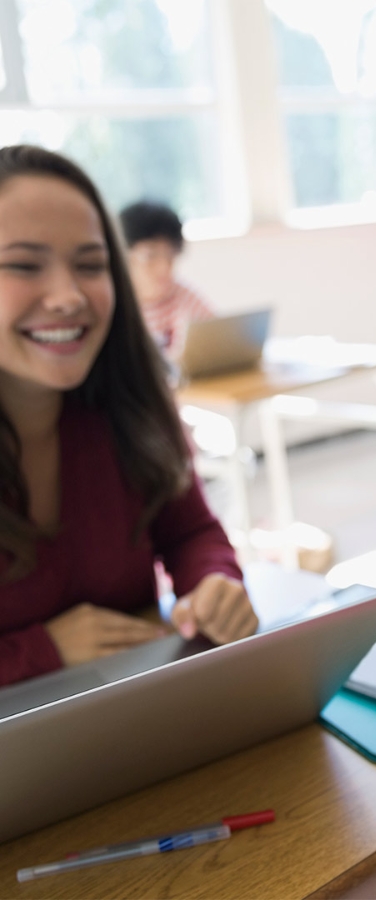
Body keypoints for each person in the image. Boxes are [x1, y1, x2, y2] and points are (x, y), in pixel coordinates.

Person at [0, 145, 258, 688]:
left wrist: (213, 582)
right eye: (24, 265)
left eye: (91, 265)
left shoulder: (132, 403)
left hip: (137, 712)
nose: (70, 296)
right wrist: (43, 650)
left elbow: (191, 532)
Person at [119, 199, 213, 362]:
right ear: (123, 256)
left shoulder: (184, 296)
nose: (164, 267)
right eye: (150, 255)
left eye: (170, 255)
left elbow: (220, 339)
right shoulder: (118, 307)